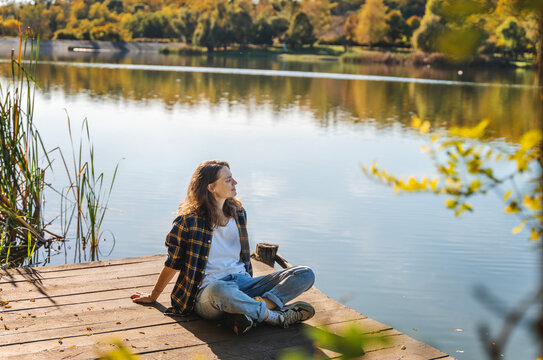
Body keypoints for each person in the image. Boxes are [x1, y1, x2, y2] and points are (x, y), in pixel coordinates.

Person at [130, 160, 316, 335]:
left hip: (243, 284)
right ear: (211, 188)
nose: (235, 182)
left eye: (232, 177)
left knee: (305, 274)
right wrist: (154, 296)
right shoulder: (188, 221)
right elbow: (173, 262)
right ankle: (275, 316)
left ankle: (248, 311)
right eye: (228, 180)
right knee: (222, 290)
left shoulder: (239, 213)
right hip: (208, 293)